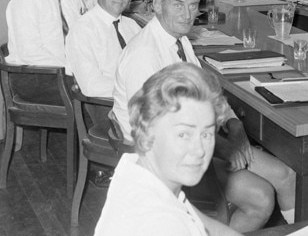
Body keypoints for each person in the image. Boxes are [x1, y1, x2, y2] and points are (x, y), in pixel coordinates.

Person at [112, 0, 296, 232]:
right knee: (263, 196)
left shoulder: (180, 40)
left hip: (196, 141)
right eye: (178, 5)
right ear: (158, 5)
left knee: (285, 177)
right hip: (163, 160)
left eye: (192, 5)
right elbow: (160, 133)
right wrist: (223, 147)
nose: (188, 14)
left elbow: (209, 94)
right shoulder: (144, 54)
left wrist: (235, 125)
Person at [95, 63, 242, 236]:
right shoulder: (159, 223)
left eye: (206, 134)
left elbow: (207, 225)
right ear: (147, 132)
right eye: (183, 135)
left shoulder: (142, 173)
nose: (199, 150)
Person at [6, 0, 84, 104]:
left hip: (66, 71)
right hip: (37, 76)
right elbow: (30, 53)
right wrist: (72, 69)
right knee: (91, 99)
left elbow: (78, 35)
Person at [66, 0, 141, 98]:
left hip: (138, 100)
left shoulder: (133, 26)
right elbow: (91, 85)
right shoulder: (83, 29)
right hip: (104, 104)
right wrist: (136, 89)